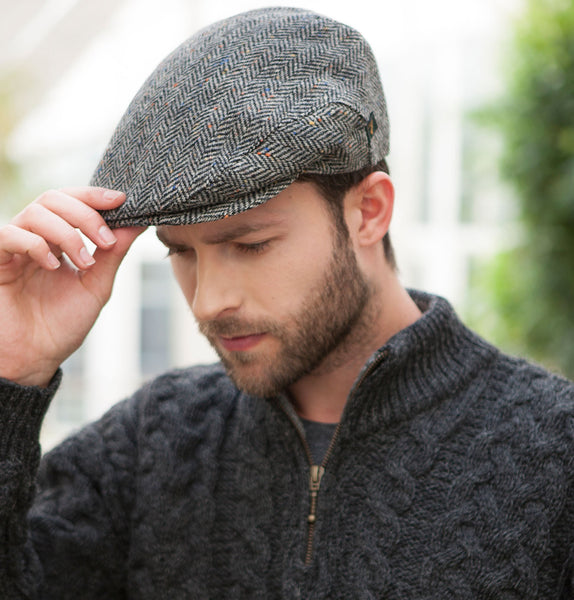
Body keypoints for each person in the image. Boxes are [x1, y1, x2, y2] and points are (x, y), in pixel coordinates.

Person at [1, 6, 574, 599]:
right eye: (181, 253)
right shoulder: (150, 443)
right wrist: (11, 371)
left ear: (369, 211)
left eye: (250, 245)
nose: (207, 301)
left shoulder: (556, 454)